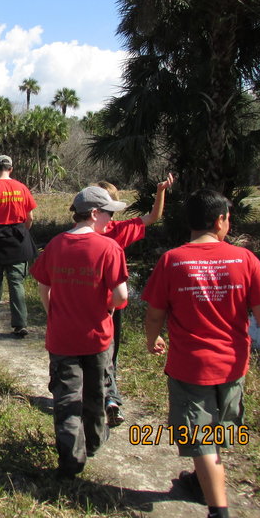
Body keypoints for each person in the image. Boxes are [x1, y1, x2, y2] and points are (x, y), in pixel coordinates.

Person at [142, 189, 260, 518]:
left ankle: (218, 510)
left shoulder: (172, 260)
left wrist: (152, 338)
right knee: (218, 430)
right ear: (220, 221)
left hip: (189, 367)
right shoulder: (244, 260)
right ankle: (203, 484)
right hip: (232, 366)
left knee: (200, 436)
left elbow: (155, 313)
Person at [31, 186, 129, 479]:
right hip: (97, 337)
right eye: (109, 213)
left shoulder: (56, 245)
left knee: (66, 398)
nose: (111, 220)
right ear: (95, 214)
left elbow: (43, 286)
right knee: (96, 393)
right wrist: (109, 308)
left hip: (62, 338)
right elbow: (122, 296)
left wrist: (53, 314)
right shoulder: (109, 248)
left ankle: (71, 461)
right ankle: (95, 442)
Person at [96, 173, 175, 427]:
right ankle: (110, 397)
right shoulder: (120, 230)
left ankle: (97, 396)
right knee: (111, 352)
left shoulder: (84, 232)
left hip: (87, 300)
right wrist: (160, 192)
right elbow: (153, 217)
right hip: (113, 303)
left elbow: (152, 218)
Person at [0, 155, 37, 337]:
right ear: (11, 169)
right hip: (18, 236)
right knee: (16, 282)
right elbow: (31, 217)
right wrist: (22, 232)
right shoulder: (22, 187)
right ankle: (20, 324)